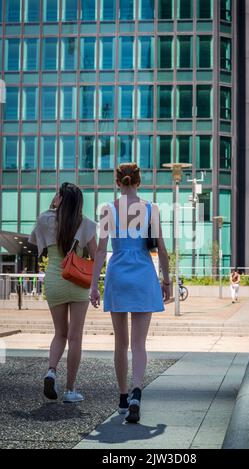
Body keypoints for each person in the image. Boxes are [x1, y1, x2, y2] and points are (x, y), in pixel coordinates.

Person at [90, 163, 170, 424]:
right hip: (143, 275)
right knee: (139, 344)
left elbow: (101, 250)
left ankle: (123, 397)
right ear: (139, 181)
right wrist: (166, 279)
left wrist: (93, 284)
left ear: (117, 181)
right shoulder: (151, 209)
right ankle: (137, 391)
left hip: (118, 275)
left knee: (120, 344)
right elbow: (161, 248)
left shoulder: (107, 209)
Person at [29, 183, 97, 403]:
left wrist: (52, 208)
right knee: (75, 337)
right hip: (77, 281)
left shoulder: (45, 219)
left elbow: (33, 242)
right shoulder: (86, 224)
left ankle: (51, 371)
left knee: (60, 333)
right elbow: (96, 257)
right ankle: (70, 390)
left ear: (60, 198)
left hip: (54, 280)